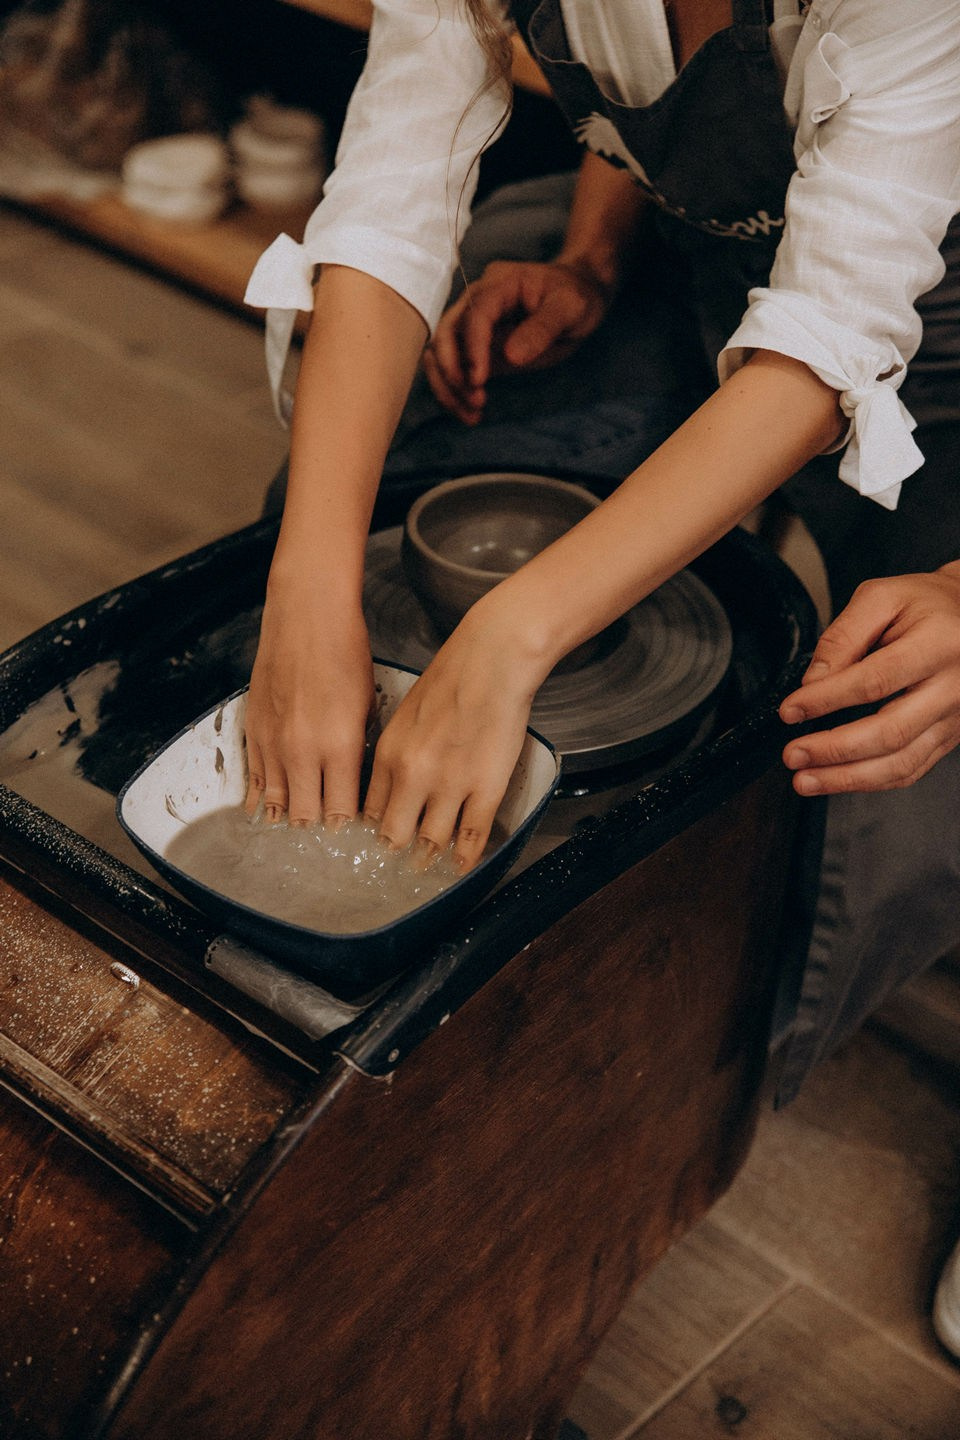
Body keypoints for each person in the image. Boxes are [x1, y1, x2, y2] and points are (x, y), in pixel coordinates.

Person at [242, 0, 960, 1102]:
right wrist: (308, 587)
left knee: (887, 762)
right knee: (359, 484)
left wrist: (507, 639)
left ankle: (664, 1109)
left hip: (929, 369)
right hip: (723, 282)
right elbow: (390, 208)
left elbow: (829, 336)